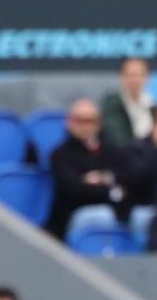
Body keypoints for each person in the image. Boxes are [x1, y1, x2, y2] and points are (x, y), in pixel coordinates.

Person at [45, 98, 126, 237]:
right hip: (72, 217)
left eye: (90, 120)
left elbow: (124, 182)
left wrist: (92, 181)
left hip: (115, 212)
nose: (85, 126)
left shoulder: (112, 151)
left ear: (99, 123)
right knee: (101, 215)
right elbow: (74, 191)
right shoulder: (60, 154)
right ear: (68, 122)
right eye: (79, 120)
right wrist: (108, 188)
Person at [99, 56, 152, 150]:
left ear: (147, 77)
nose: (135, 80)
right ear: (122, 77)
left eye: (139, 75)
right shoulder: (112, 103)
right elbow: (117, 139)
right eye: (131, 75)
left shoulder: (152, 104)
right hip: (122, 158)